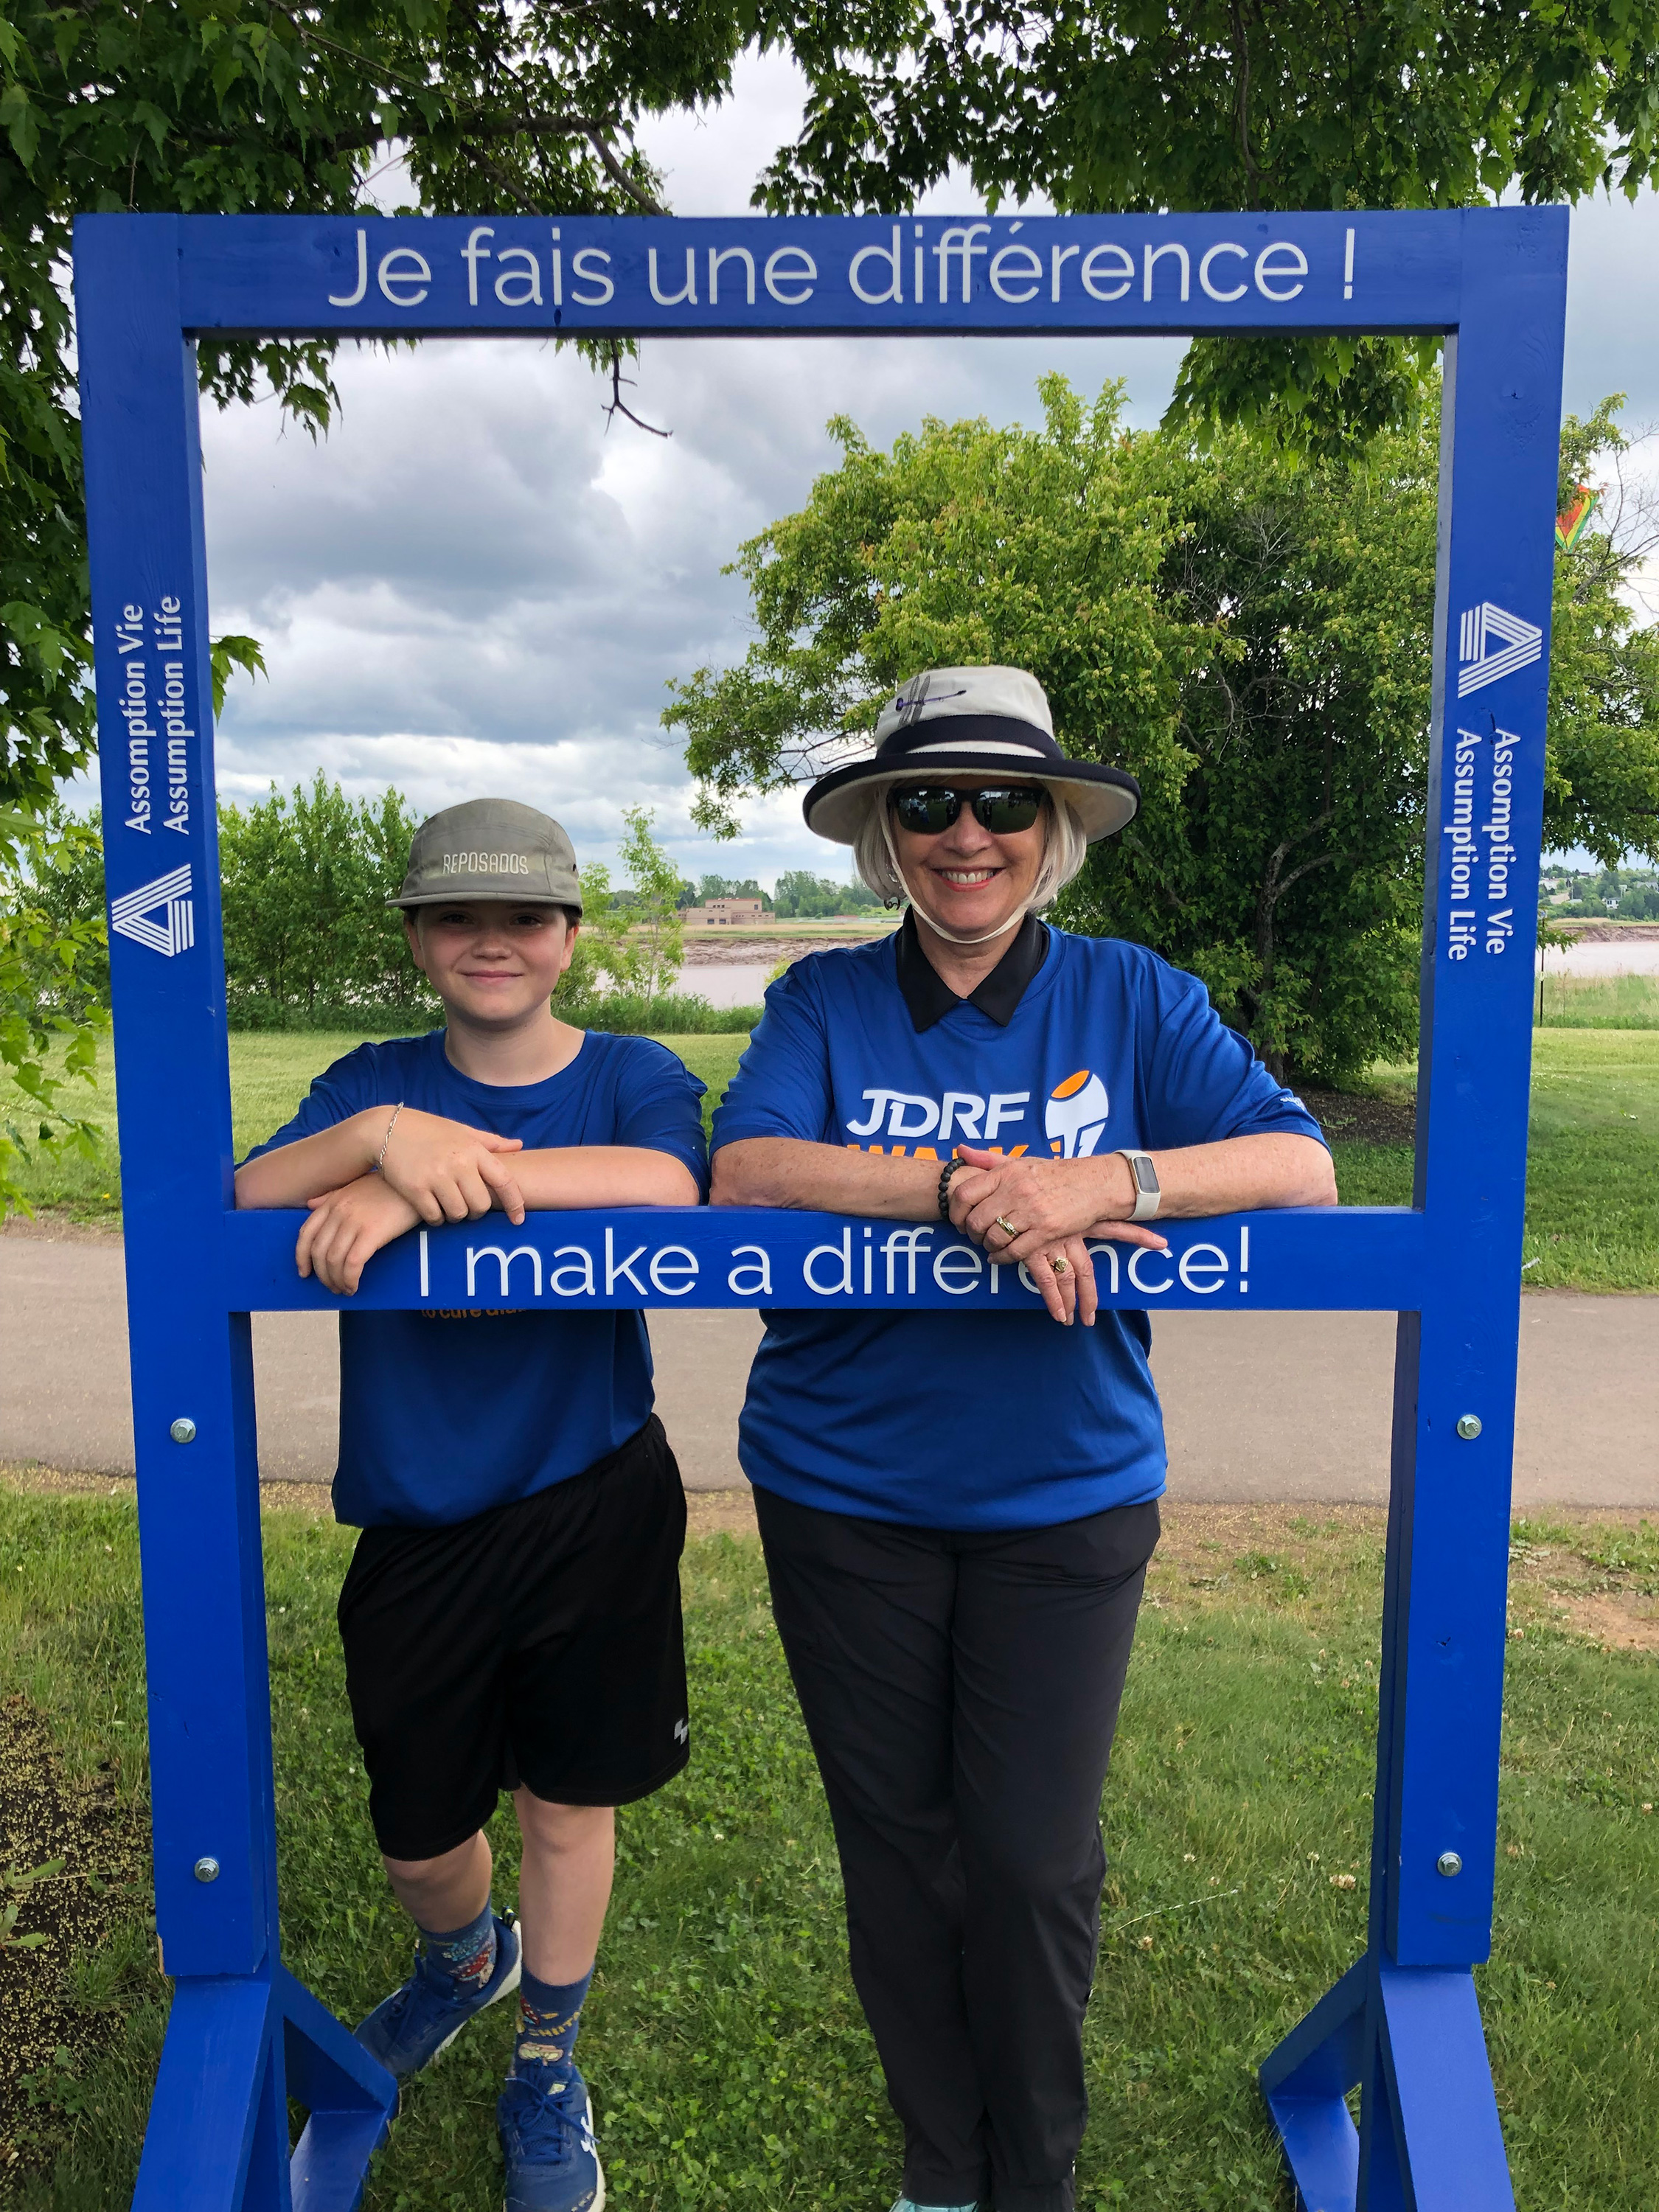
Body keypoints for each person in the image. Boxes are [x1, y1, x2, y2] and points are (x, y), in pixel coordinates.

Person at [709, 669, 1336, 2212]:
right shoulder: (822, 1000)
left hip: (1068, 1494)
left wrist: (1102, 1183)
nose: (966, 834)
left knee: (1035, 1859)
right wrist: (957, 1186)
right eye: (928, 803)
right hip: (841, 1490)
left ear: (1053, 830)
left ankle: (1034, 2172)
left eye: (1004, 802)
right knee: (899, 1854)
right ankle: (944, 2165)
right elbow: (748, 1167)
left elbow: (1299, 1164)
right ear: (886, 837)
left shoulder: (1133, 995)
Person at [236, 797, 708, 2212]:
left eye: (522, 918)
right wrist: (383, 1137)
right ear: (417, 939)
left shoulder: (631, 1071)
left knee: (568, 1805)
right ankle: (466, 1959)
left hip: (594, 1494)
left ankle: (547, 2055)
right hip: (418, 1517)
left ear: (570, 938)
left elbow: (666, 1187)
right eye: (457, 917)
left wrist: (432, 1191)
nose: (489, 942)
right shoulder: (370, 1080)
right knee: (420, 1835)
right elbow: (251, 1190)